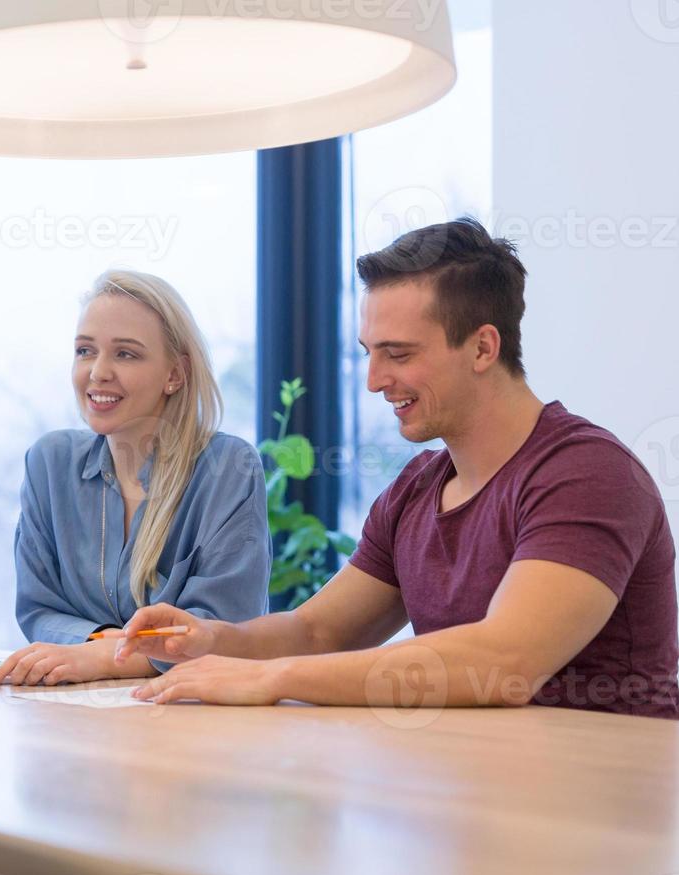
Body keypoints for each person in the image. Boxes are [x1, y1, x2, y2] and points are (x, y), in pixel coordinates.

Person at [118, 218, 679, 719]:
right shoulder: (416, 490)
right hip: (476, 798)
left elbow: (506, 659)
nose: (374, 380)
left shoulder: (586, 474)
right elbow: (318, 631)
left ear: (484, 348)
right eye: (370, 352)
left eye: (400, 354)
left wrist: (270, 677)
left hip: (599, 809)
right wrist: (212, 639)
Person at [0, 270, 271, 687]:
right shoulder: (50, 464)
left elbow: (223, 628)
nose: (98, 372)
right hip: (77, 713)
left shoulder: (227, 467)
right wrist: (101, 644)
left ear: (175, 374)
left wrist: (105, 658)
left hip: (190, 724)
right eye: (85, 350)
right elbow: (38, 607)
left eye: (125, 354)